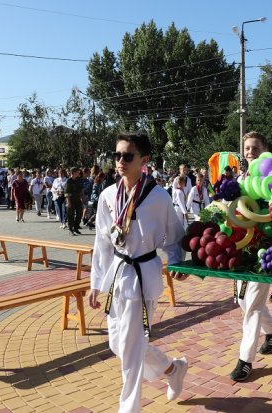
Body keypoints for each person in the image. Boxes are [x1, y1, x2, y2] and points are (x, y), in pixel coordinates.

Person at [89, 132, 188, 412]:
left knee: (131, 350)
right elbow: (102, 242)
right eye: (117, 155)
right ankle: (172, 369)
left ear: (144, 160)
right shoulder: (109, 195)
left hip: (143, 274)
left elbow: (174, 236)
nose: (120, 161)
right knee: (116, 344)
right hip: (117, 273)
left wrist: (177, 263)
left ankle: (129, 408)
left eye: (127, 156)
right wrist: (96, 283)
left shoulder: (158, 197)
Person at [230, 131, 272, 382]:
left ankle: (245, 360)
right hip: (241, 249)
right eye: (247, 148)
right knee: (243, 302)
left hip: (265, 249)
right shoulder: (239, 180)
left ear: (265, 151)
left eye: (255, 148)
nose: (250, 152)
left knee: (251, 304)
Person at [65, 167, 84, 236]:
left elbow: (81, 189)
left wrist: (82, 197)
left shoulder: (78, 180)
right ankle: (71, 229)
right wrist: (68, 202)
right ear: (73, 172)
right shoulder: (69, 181)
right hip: (71, 200)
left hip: (78, 199)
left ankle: (76, 227)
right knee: (70, 215)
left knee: (80, 213)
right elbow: (67, 193)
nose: (78, 173)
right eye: (77, 172)